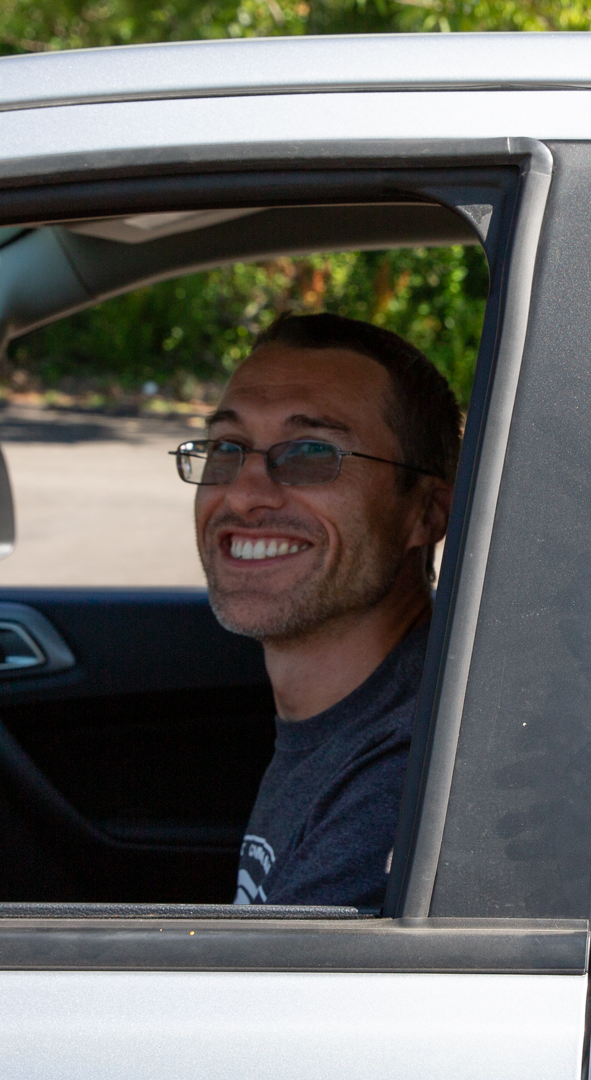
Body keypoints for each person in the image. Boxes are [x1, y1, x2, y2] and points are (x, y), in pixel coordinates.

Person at [183, 313, 458, 908]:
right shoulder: (358, 722)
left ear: (426, 513)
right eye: (227, 448)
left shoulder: (406, 779)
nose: (243, 493)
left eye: (311, 452)